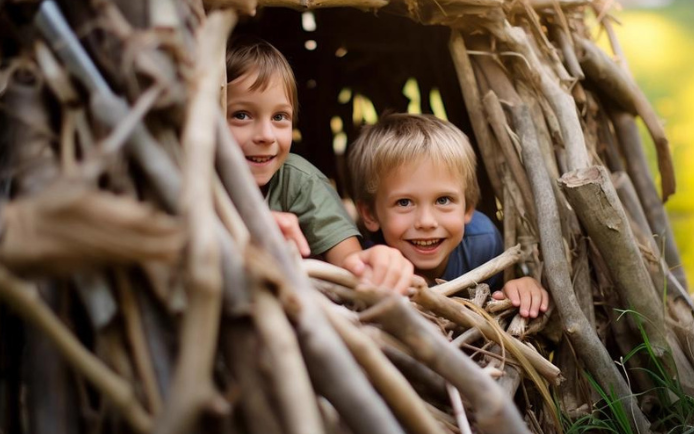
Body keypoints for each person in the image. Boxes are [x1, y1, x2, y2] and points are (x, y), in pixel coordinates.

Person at [225, 38, 414, 293]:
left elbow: (351, 264)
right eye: (241, 115)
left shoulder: (300, 181)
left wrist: (377, 262)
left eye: (280, 117)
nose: (266, 135)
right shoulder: (180, 176)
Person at [348, 112, 549, 318]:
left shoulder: (483, 244)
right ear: (370, 214)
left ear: (468, 208)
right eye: (404, 202)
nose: (426, 222)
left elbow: (496, 298)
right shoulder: (373, 262)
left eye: (443, 200)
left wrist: (518, 288)